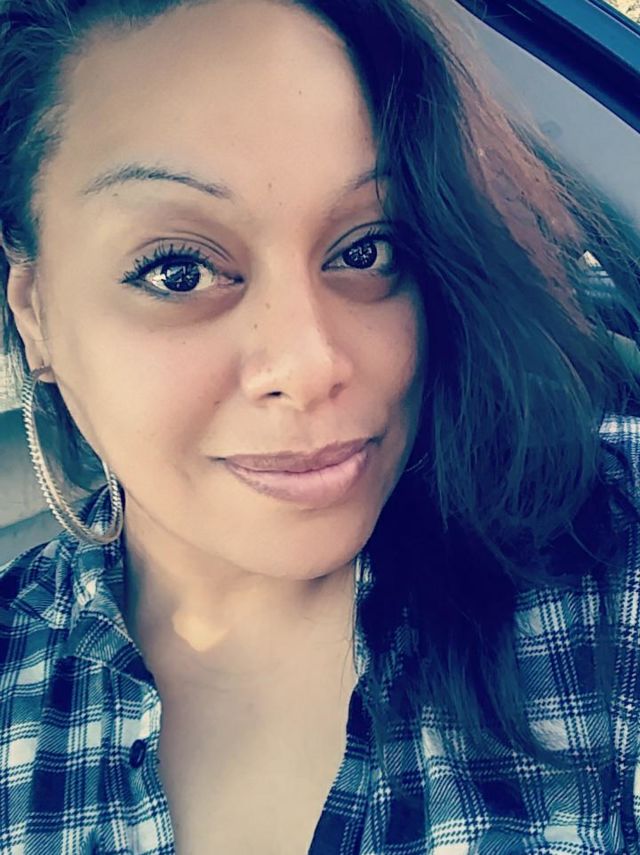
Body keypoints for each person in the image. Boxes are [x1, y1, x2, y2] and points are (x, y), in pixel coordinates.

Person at [1, 0, 640, 852]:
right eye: (179, 270)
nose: (310, 362)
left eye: (367, 250)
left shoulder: (603, 567)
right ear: (35, 314)